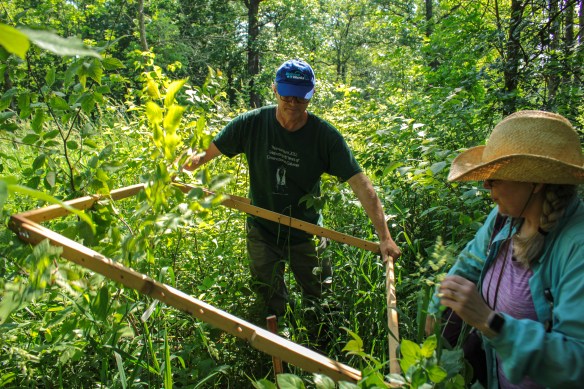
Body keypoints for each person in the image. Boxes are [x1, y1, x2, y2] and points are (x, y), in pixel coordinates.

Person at [182, 59, 401, 319]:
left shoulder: (325, 137)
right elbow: (207, 152)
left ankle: (320, 346)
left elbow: (361, 185)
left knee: (321, 301)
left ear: (311, 95)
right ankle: (275, 347)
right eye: (287, 95)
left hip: (305, 232)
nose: (293, 103)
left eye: (301, 97)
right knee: (268, 299)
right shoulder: (252, 123)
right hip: (262, 228)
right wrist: (184, 166)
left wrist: (385, 236)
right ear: (274, 89)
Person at [426, 110, 584, 388]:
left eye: (496, 177)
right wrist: (435, 309)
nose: (486, 185)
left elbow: (576, 364)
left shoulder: (576, 247)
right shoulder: (505, 219)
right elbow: (468, 264)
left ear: (535, 182)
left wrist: (491, 322)